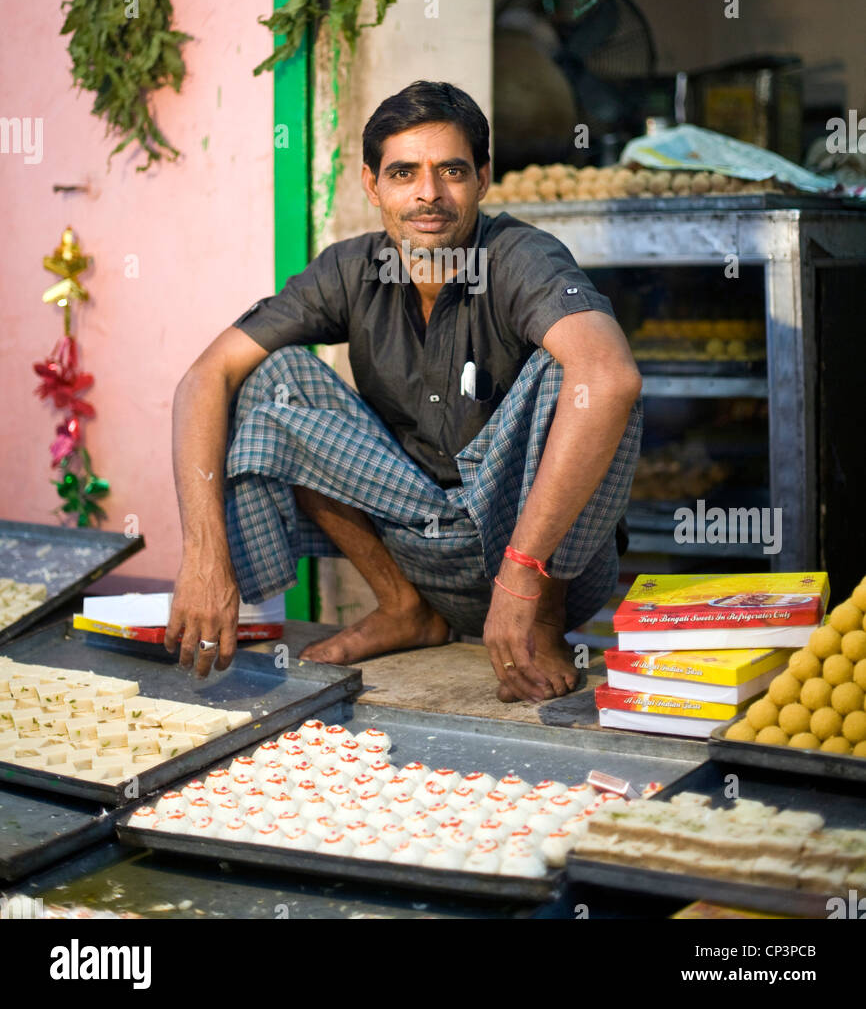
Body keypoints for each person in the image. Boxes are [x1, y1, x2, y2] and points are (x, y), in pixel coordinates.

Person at [167, 81, 642, 703]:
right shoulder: (349, 270)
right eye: (403, 173)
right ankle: (403, 607)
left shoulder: (521, 255)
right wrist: (204, 557)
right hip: (419, 539)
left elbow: (612, 377)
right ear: (372, 185)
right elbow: (205, 375)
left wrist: (523, 579)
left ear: (483, 178)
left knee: (579, 373)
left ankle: (543, 624)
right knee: (271, 377)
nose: (428, 194)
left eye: (451, 170)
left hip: (536, 563)